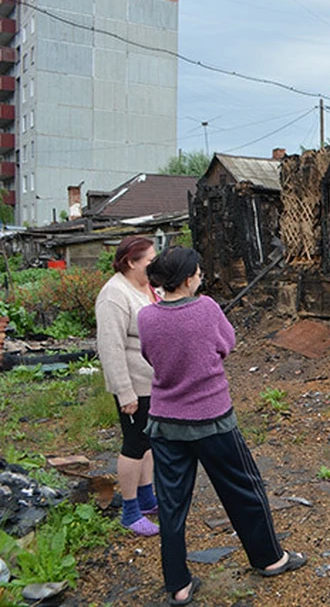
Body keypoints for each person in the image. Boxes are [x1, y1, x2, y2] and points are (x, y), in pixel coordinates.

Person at [138, 247, 305, 606]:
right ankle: (269, 558)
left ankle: (178, 586)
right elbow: (226, 345)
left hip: (166, 423)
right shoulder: (207, 308)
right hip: (212, 419)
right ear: (187, 278)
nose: (201, 276)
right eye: (198, 272)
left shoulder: (146, 317)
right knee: (245, 489)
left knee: (171, 505)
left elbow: (149, 357)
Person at [95, 236, 160, 537]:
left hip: (152, 383)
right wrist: (124, 392)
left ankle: (147, 498)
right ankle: (130, 511)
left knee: (147, 442)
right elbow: (111, 347)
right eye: (149, 259)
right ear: (131, 262)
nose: (154, 263)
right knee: (133, 446)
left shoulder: (148, 287)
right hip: (133, 386)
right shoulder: (114, 295)